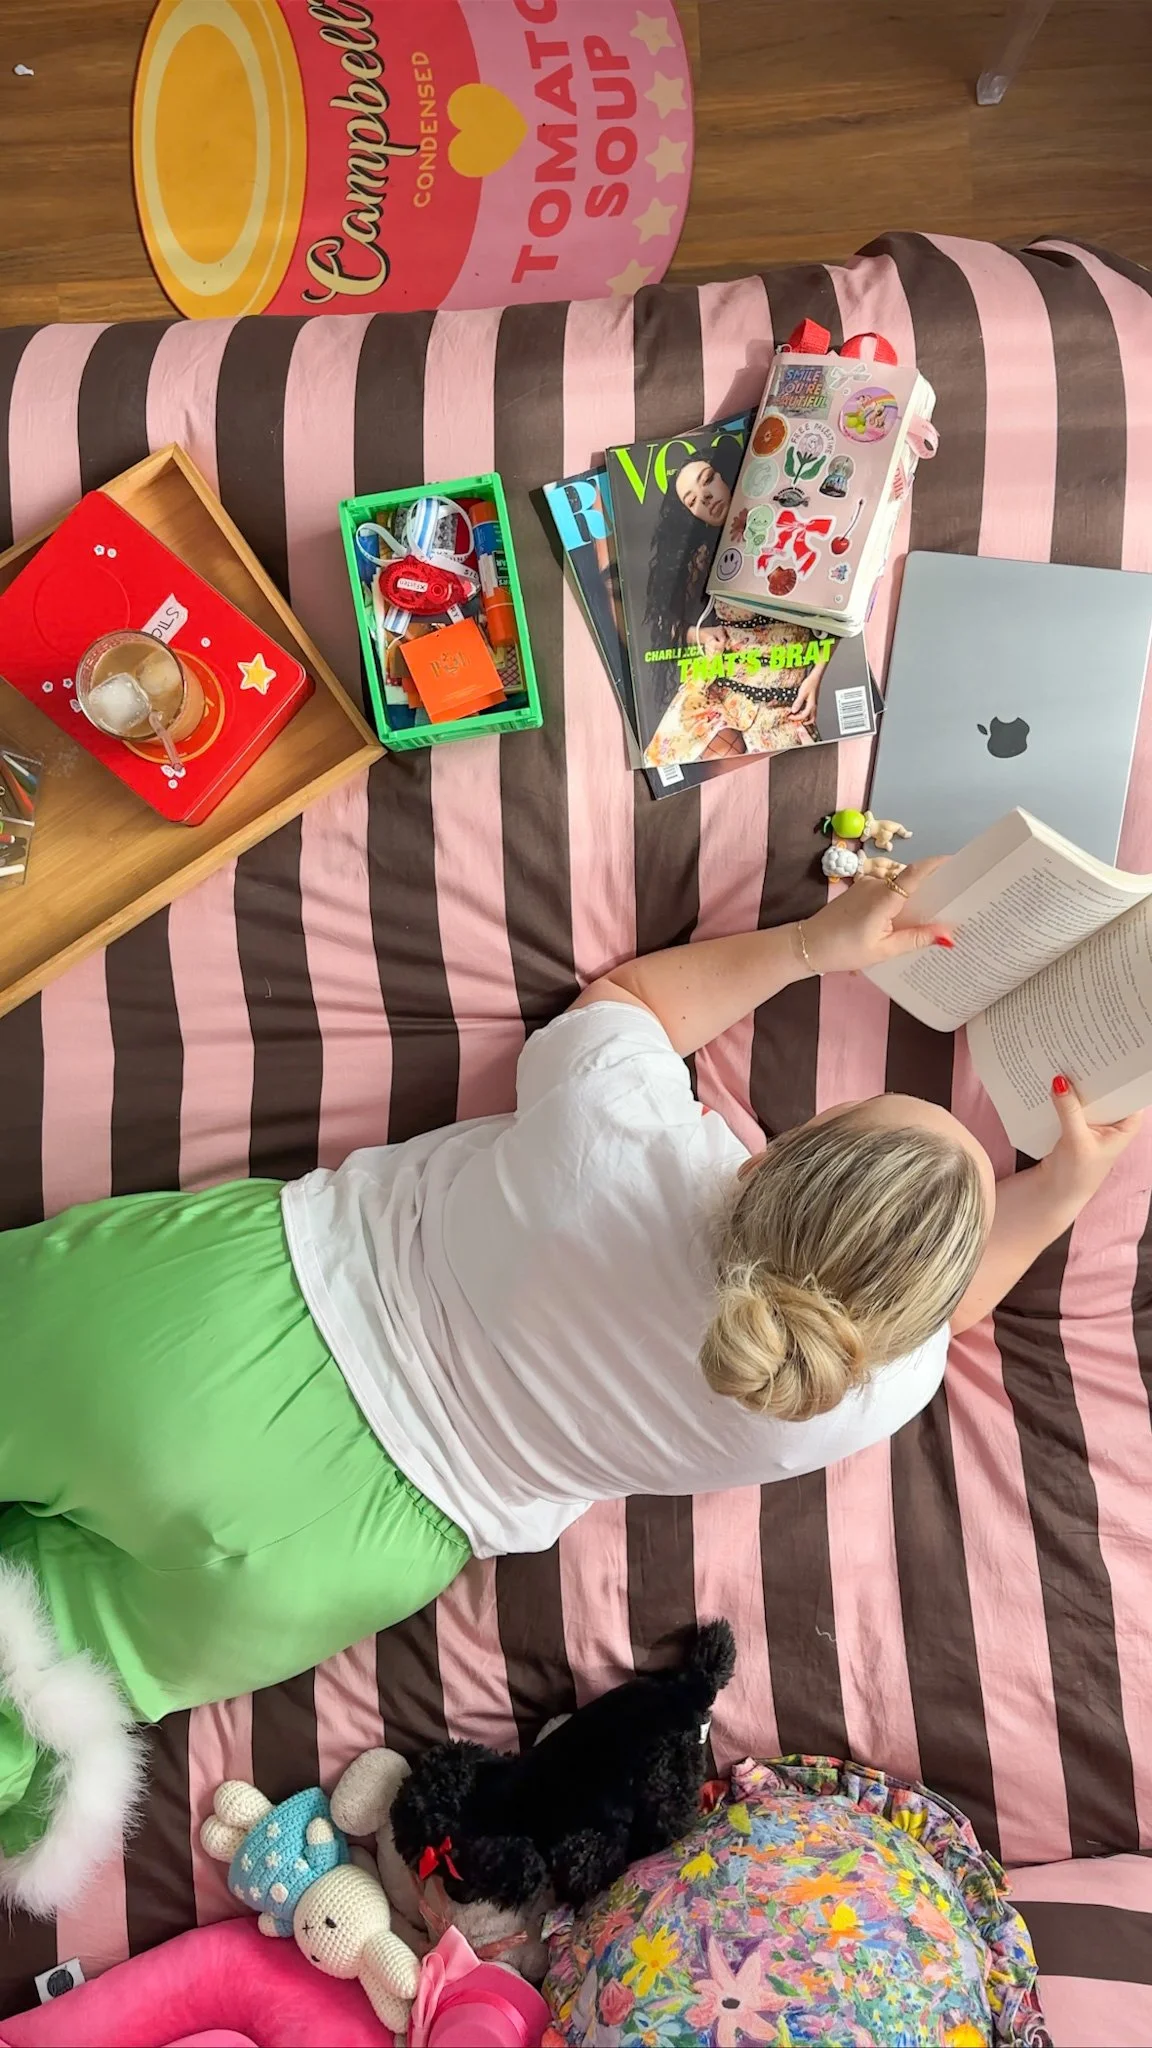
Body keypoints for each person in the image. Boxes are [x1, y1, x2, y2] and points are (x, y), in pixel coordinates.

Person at [0, 868, 1139, 1910]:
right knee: (33, 1686)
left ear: (778, 1152)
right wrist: (1054, 1191)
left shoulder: (623, 1133)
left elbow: (631, 995)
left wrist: (812, 943)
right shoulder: (852, 1394)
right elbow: (965, 1306)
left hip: (235, 1329)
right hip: (333, 1549)